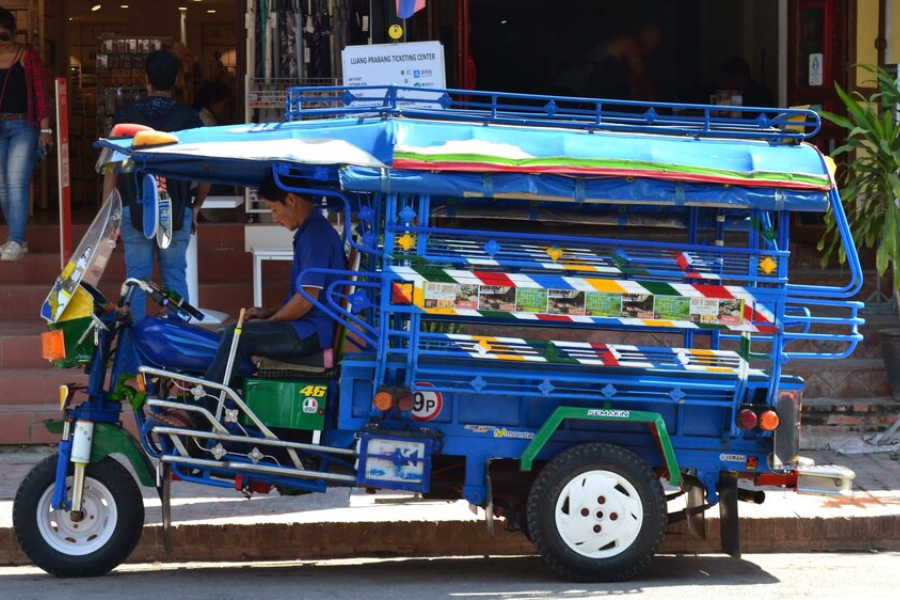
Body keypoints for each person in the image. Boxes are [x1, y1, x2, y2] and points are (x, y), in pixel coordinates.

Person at [101, 51, 210, 362]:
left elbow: (112, 167)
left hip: (135, 210)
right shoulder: (190, 118)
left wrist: (109, 211)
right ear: (176, 81)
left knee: (136, 276)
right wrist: (197, 206)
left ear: (145, 80)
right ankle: (179, 352)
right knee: (175, 276)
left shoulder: (126, 117)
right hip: (176, 211)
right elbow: (205, 168)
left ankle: (133, 354)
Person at [205, 173, 346, 385]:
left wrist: (269, 323)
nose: (274, 217)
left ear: (290, 200)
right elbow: (300, 297)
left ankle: (207, 404)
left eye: (273, 209)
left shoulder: (316, 236)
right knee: (228, 332)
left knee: (238, 336)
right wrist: (268, 312)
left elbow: (306, 299)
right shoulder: (311, 232)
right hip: (307, 327)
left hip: (311, 331)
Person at [0, 6, 52, 262]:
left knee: (16, 182)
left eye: (4, 36)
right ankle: (16, 238)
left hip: (24, 125)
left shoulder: (27, 56)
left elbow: (41, 93)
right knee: (2, 186)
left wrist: (45, 128)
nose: (0, 42)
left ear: (13, 33)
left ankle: (16, 240)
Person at [555, 24, 662, 101]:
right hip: (572, 87)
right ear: (644, 35)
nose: (655, 44)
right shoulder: (629, 44)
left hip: (578, 87)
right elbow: (642, 78)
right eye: (653, 38)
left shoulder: (630, 49)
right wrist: (657, 112)